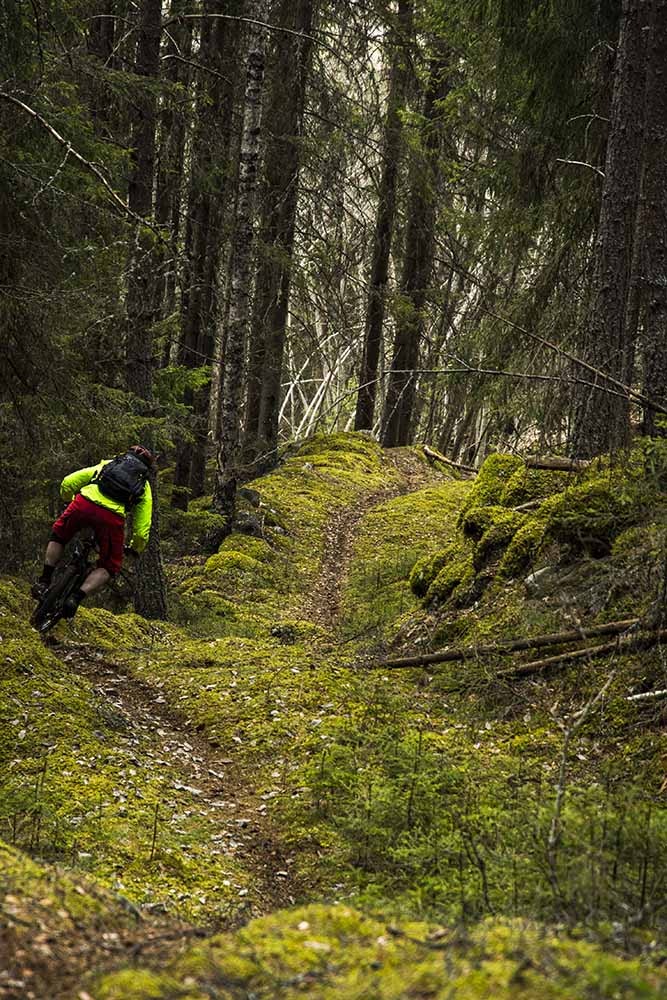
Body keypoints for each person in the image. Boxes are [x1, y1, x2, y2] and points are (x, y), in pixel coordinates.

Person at [32, 445, 156, 617]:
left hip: (83, 504)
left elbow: (68, 482)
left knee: (59, 535)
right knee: (110, 565)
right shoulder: (144, 485)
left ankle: (44, 580)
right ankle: (75, 598)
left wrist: (71, 499)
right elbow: (142, 529)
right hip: (111, 519)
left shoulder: (108, 465)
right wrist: (135, 548)